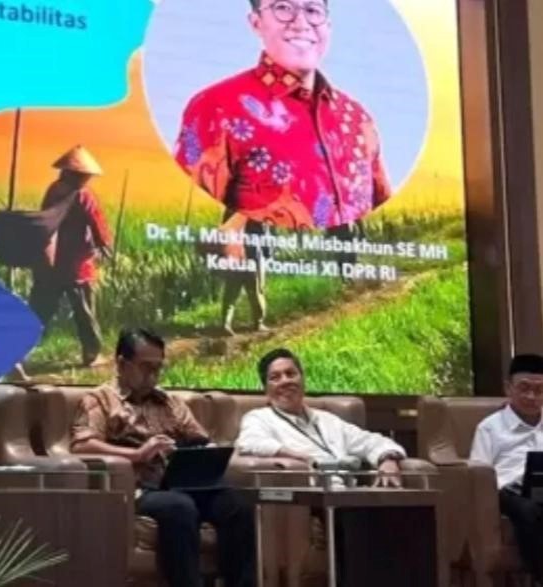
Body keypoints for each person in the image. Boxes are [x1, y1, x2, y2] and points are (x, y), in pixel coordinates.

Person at [175, 0, 392, 333]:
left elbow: (379, 196)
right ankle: (235, 323)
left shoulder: (357, 116)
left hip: (348, 304)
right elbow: (204, 203)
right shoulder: (216, 106)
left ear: (328, 26)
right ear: (255, 22)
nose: (301, 22)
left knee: (256, 284)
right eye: (283, 8)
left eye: (313, 10)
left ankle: (321, 296)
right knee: (242, 283)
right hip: (242, 249)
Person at [70, 328, 256, 587]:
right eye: (146, 367)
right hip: (139, 488)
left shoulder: (170, 402)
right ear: (122, 364)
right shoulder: (99, 400)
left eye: (158, 368)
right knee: (179, 507)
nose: (153, 375)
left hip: (181, 482)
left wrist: (203, 449)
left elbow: (200, 438)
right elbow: (82, 445)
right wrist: (137, 454)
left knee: (237, 505)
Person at [237, 348, 405, 486]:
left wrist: (388, 460)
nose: (285, 381)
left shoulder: (328, 420)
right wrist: (298, 456)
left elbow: (371, 441)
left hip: (350, 494)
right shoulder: (259, 418)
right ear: (266, 389)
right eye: (275, 377)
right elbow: (250, 443)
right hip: (312, 499)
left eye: (291, 374)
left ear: (303, 380)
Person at [28, 145, 113, 368]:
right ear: (80, 174)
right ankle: (92, 354)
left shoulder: (53, 190)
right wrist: (104, 244)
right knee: (84, 311)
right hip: (77, 264)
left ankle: (19, 349)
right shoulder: (83, 195)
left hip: (49, 262)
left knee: (40, 308)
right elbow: (97, 222)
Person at [470, 354, 543, 584]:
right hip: (506, 493)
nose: (532, 396)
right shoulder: (490, 428)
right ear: (508, 388)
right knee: (528, 510)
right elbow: (477, 472)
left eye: (539, 390)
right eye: (524, 388)